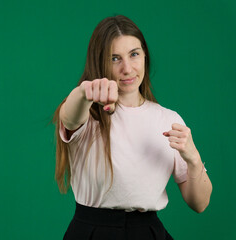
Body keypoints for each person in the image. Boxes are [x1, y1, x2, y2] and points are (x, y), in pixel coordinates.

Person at [53, 15, 212, 240]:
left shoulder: (168, 119)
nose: (127, 68)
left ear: (145, 56)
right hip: (92, 231)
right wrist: (84, 92)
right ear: (100, 62)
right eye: (115, 58)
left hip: (147, 232)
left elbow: (200, 204)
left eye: (134, 54)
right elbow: (68, 118)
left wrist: (194, 159)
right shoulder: (86, 111)